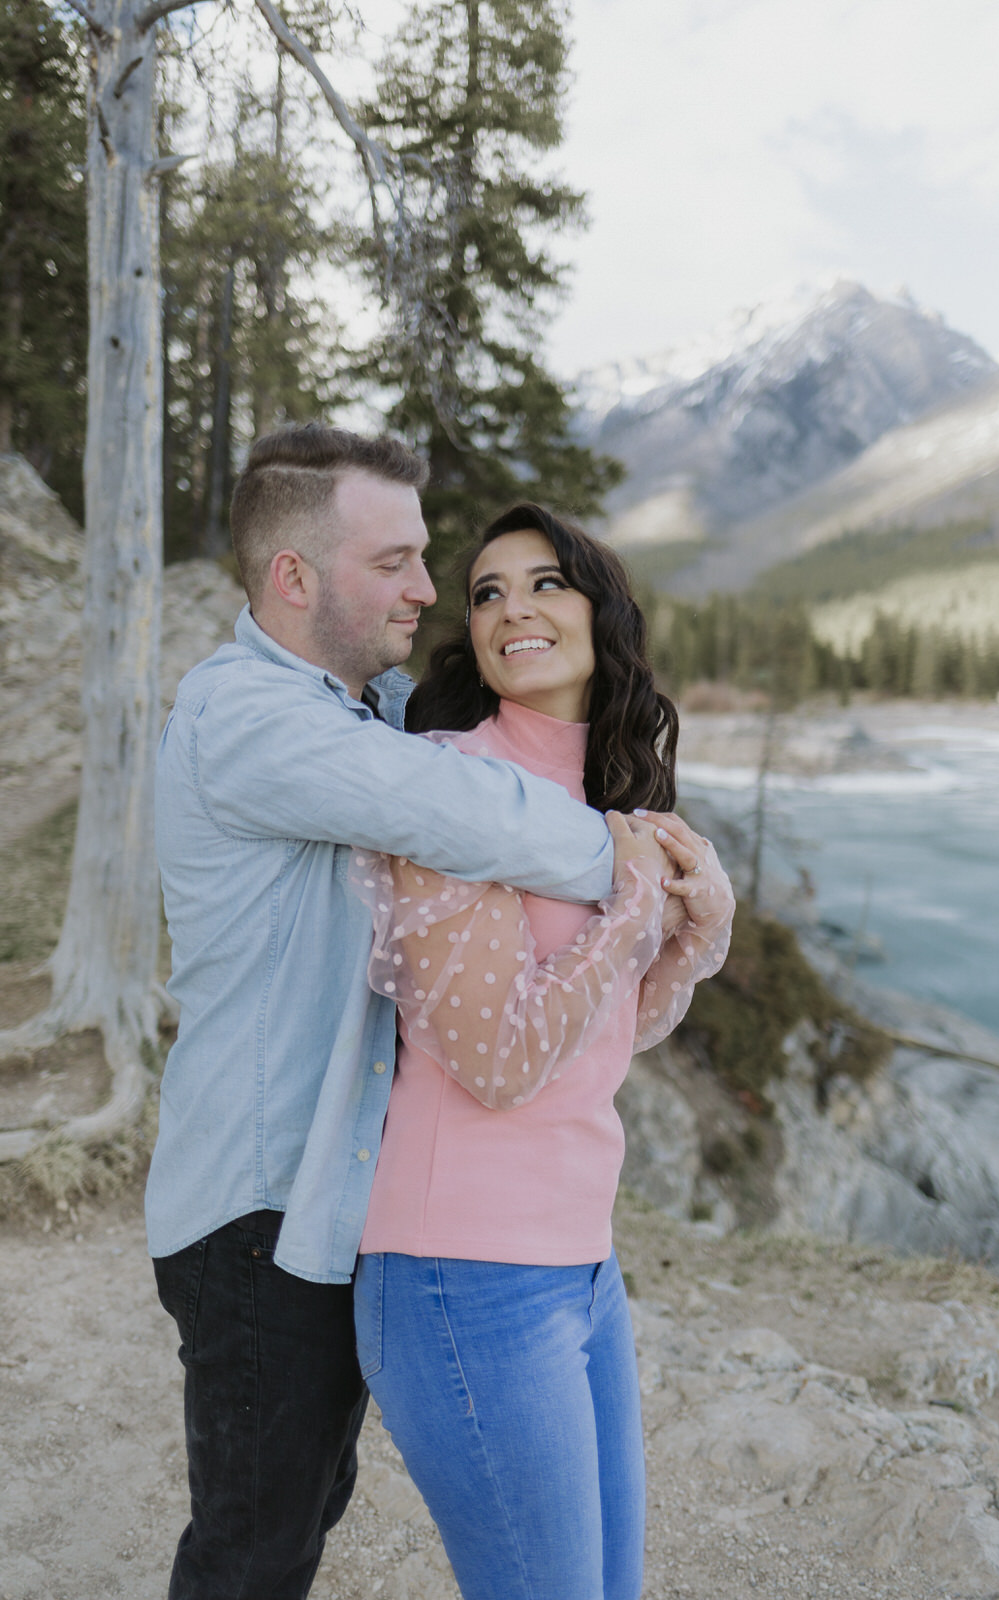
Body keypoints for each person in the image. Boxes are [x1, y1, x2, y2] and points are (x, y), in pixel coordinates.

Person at [148, 427, 637, 1600]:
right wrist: (640, 861)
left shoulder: (368, 705)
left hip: (332, 1202)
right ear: (294, 577)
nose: (426, 588)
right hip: (257, 1208)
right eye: (396, 561)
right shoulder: (251, 720)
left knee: (302, 1506)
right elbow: (467, 807)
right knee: (254, 1545)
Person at [343, 503, 735, 1600]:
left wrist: (692, 931)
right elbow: (498, 1058)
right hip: (461, 1270)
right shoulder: (453, 782)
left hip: (581, 1262)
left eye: (544, 582)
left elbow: (598, 1039)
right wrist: (626, 914)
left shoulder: (600, 801)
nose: (511, 606)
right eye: (485, 591)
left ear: (598, 614)